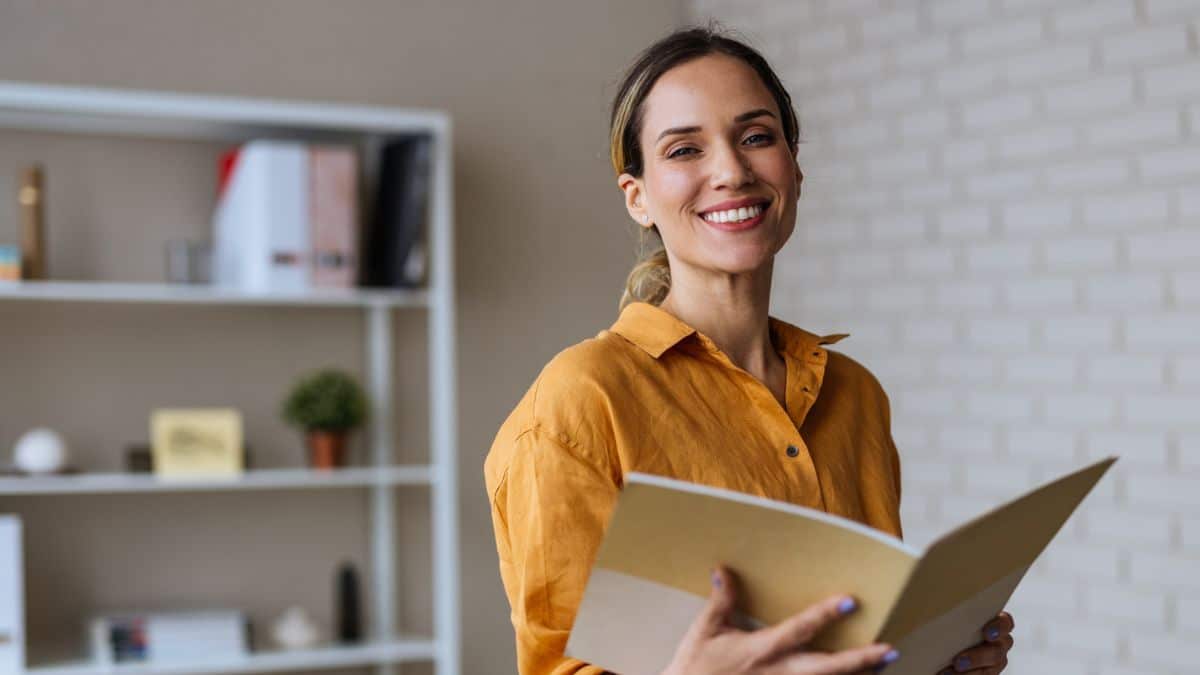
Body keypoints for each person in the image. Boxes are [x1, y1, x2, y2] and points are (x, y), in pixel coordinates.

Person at [484, 25, 1016, 675]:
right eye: (684, 149)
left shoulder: (857, 395)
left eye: (757, 137)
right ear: (639, 196)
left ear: (794, 167)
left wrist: (932, 657)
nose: (732, 171)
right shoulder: (580, 402)